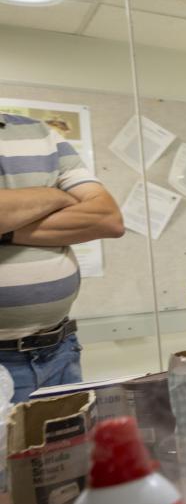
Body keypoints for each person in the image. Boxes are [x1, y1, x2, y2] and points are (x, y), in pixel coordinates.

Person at [0, 113, 124, 403]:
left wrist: (7, 230)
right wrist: (55, 196)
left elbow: (108, 219)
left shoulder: (40, 132)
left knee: (73, 435)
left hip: (60, 351)